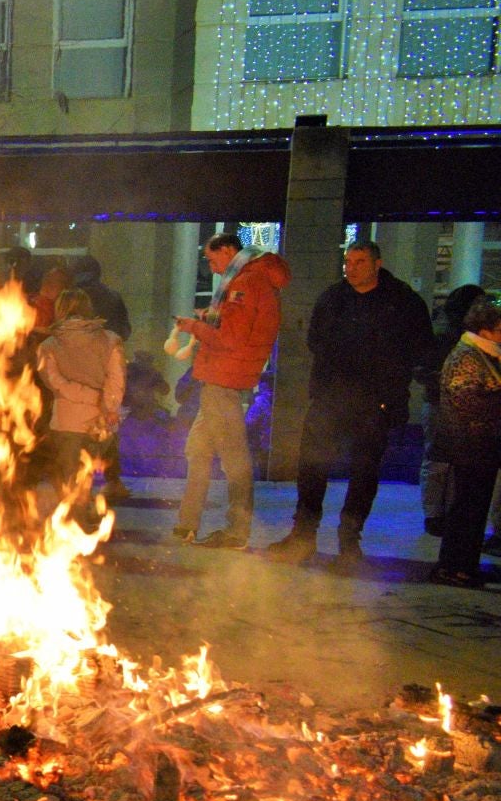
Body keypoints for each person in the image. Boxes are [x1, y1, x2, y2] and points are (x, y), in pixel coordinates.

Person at [264, 240, 434, 569]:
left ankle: (349, 540)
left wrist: (388, 385)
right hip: (330, 397)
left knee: (364, 472)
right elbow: (316, 339)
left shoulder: (401, 302)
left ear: (377, 264)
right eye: (348, 261)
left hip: (375, 401)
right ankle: (303, 535)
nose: (351, 267)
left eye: (358, 261)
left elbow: (419, 346)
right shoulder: (334, 298)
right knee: (312, 465)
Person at [167, 233, 290, 549]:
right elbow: (239, 330)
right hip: (224, 377)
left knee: (234, 458)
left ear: (228, 251)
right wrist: (209, 320)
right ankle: (187, 524)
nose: (210, 267)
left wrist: (194, 327)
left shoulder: (243, 284)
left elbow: (230, 339)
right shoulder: (257, 280)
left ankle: (236, 531)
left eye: (211, 258)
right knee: (198, 451)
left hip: (223, 379)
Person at [431, 297, 501, 587]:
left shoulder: (482, 354)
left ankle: (463, 564)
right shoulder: (468, 357)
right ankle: (455, 567)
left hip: (479, 445)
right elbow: (468, 402)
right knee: (467, 509)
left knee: (473, 508)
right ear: (485, 330)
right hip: (471, 446)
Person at [33, 288, 126, 502]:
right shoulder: (110, 340)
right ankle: (84, 519)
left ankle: (74, 522)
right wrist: (108, 405)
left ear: (60, 309)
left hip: (66, 420)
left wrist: (86, 395)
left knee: (67, 483)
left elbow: (55, 382)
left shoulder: (48, 346)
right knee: (88, 477)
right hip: (100, 420)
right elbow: (117, 378)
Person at [421, 283, 488, 535]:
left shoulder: (444, 332)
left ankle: (438, 513)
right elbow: (424, 368)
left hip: (441, 402)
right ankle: (437, 514)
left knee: (440, 461)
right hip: (441, 403)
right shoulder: (450, 337)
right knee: (439, 460)